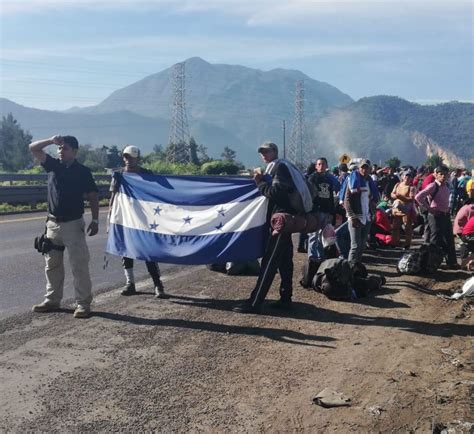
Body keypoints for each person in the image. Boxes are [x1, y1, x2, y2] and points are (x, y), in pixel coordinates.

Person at [233, 141, 311, 314]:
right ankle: (285, 299)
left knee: (269, 262)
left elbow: (275, 193)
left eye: (267, 151)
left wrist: (259, 182)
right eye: (262, 152)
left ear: (275, 151)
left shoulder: (280, 168)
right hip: (286, 221)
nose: (264, 155)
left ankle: (255, 302)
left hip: (281, 222)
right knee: (285, 262)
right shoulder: (286, 166)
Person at [29, 135, 99, 318]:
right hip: (52, 224)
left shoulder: (83, 171)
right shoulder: (53, 165)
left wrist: (96, 220)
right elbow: (33, 148)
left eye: (65, 148)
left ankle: (83, 304)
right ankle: (52, 300)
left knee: (79, 265)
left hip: (73, 224)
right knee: (51, 265)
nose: (61, 151)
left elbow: (92, 195)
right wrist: (51, 140)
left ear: (75, 151)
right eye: (59, 148)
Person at [108, 145, 166, 298]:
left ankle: (157, 284)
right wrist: (110, 219)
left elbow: (157, 193)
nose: (128, 159)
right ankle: (130, 283)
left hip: (145, 219)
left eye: (132, 157)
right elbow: (113, 197)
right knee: (126, 250)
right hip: (125, 218)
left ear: (138, 159)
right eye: (126, 156)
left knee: (148, 251)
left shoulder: (147, 174)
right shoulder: (119, 175)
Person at [415, 165, 459, 269]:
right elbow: (418, 197)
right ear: (436, 175)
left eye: (445, 174)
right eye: (441, 174)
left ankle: (452, 262)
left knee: (449, 238)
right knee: (435, 239)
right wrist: (429, 208)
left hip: (445, 214)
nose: (443, 176)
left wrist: (448, 208)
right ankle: (431, 262)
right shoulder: (433, 186)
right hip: (435, 216)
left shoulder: (447, 185)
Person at [343, 159, 380, 264]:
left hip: (367, 217)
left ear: (370, 169)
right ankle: (349, 270)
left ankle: (357, 268)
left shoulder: (370, 182)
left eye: (366, 167)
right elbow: (347, 201)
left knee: (362, 245)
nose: (364, 169)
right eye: (362, 167)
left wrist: (373, 212)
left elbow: (372, 199)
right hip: (356, 217)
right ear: (359, 169)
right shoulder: (353, 181)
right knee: (355, 246)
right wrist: (352, 217)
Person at [307, 157, 340, 264]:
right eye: (319, 164)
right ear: (316, 166)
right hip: (315, 211)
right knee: (313, 235)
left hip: (326, 211)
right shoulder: (312, 178)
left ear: (326, 166)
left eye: (323, 164)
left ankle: (321, 257)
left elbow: (331, 196)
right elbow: (309, 195)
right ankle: (312, 257)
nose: (321, 166)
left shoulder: (329, 179)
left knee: (324, 235)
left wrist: (332, 212)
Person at [390, 170, 416, 249]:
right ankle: (394, 242)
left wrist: (400, 197)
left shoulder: (411, 187)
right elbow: (392, 194)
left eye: (409, 176)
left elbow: (411, 199)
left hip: (406, 209)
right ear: (402, 177)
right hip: (397, 208)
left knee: (407, 227)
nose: (407, 177)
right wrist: (396, 196)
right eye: (405, 175)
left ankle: (407, 244)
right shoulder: (398, 184)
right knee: (395, 226)